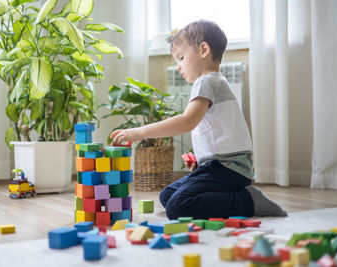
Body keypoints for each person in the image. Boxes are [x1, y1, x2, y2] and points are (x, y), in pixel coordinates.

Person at [111, 19, 286, 219]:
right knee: (168, 195)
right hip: (221, 166)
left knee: (178, 206)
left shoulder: (207, 81)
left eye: (181, 58)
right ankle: (234, 195)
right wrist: (202, 162)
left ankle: (246, 201)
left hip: (227, 169)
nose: (178, 66)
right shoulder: (214, 82)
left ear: (203, 50)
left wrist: (141, 132)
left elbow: (187, 121)